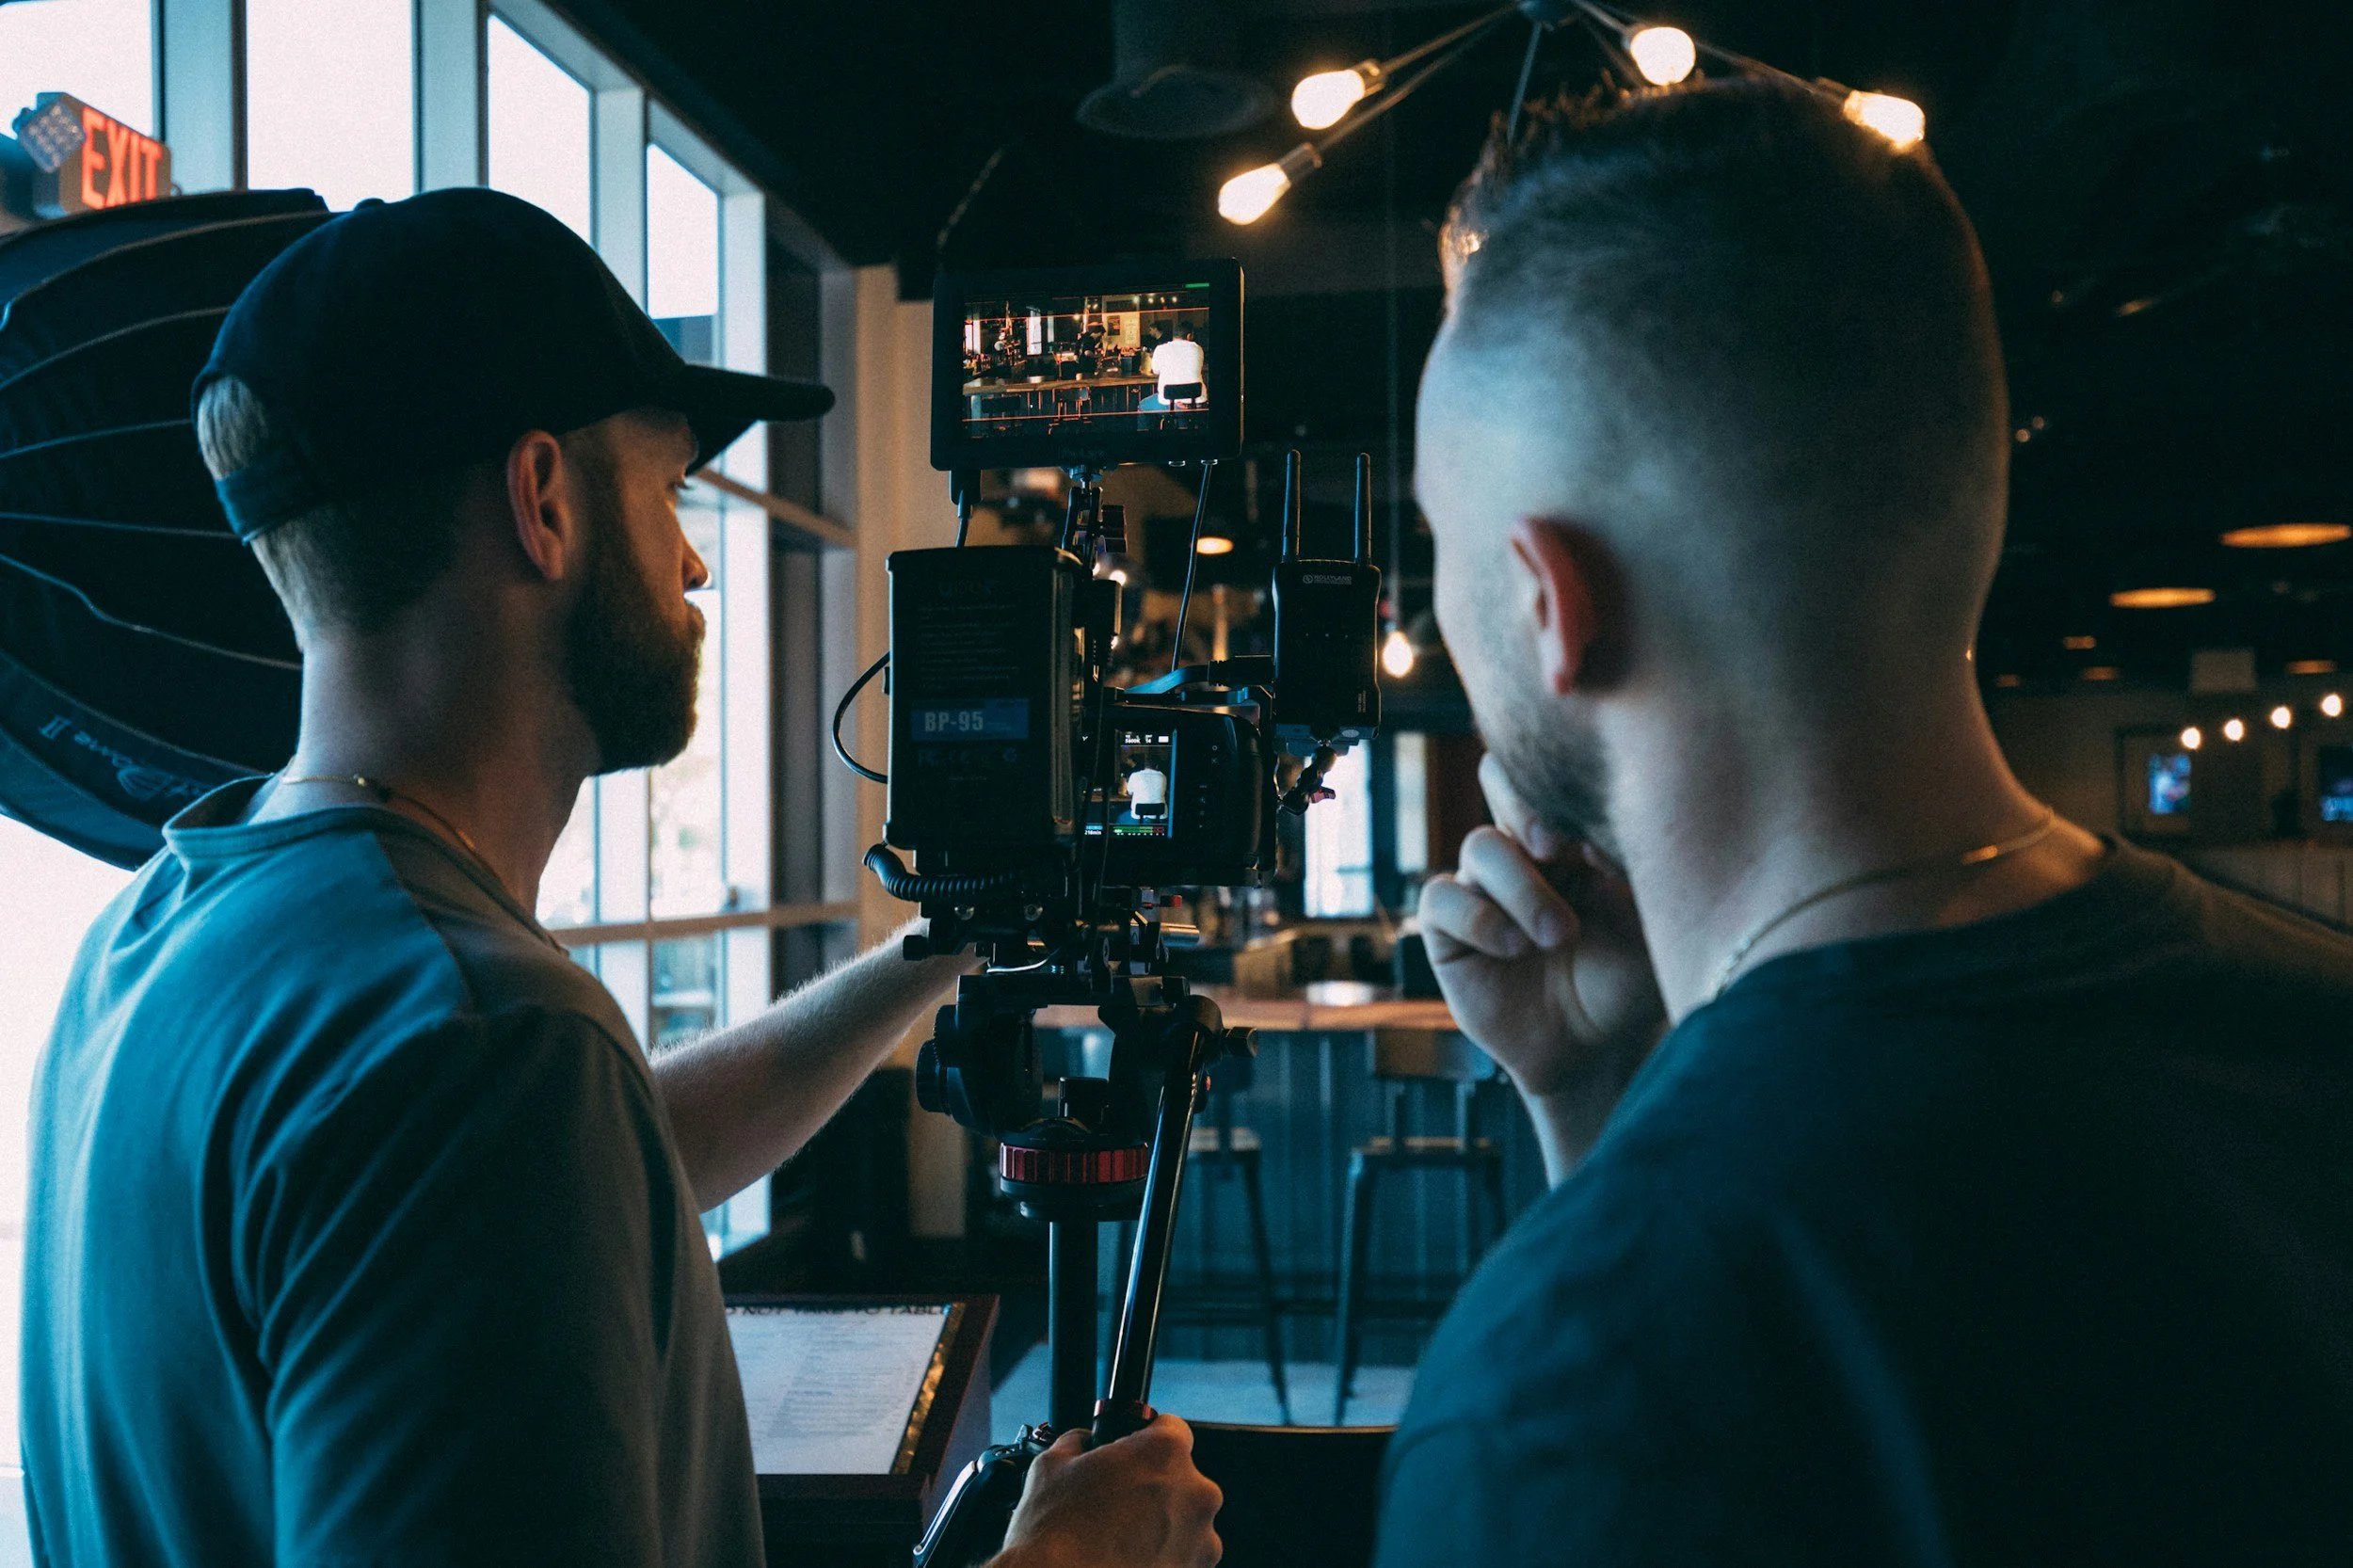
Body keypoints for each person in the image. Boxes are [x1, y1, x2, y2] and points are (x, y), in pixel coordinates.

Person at [19, 189, 1222, 1568]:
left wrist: (948, 940)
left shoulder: (152, 945)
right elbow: (515, 1124)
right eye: (670, 490)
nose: (696, 561)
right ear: (544, 502)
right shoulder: (489, 1046)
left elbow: (621, 1153)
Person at [1380, 80, 2353, 1565]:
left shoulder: (1561, 1389)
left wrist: (1618, 1214)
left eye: (1441, 544)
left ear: (1545, 605)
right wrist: (1612, 1099)